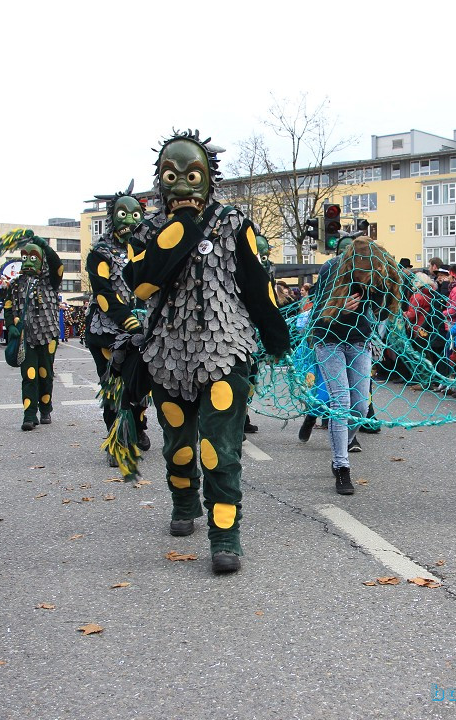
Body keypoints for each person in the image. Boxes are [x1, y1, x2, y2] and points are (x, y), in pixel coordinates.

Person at [127, 130, 290, 574]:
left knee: (219, 447)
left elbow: (259, 286)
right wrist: (181, 228)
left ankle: (226, 534)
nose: (182, 184)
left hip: (224, 348)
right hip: (166, 354)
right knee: (178, 444)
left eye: (192, 174)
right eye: (171, 175)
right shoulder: (146, 229)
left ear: (208, 178)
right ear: (160, 181)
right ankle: (184, 501)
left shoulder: (235, 224)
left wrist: (276, 338)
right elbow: (141, 283)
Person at [308, 238, 402, 493]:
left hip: (359, 340)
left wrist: (387, 291)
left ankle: (341, 446)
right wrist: (339, 308)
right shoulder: (331, 268)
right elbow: (316, 310)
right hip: (328, 340)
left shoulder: (373, 272)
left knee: (360, 406)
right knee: (341, 402)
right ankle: (341, 465)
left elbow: (382, 313)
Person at [85, 186, 152, 463]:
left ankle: (137, 427)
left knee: (140, 382)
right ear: (113, 216)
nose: (130, 220)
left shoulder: (145, 249)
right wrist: (128, 320)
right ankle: (119, 440)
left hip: (142, 328)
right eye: (123, 214)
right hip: (108, 330)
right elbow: (104, 294)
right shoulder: (100, 254)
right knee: (116, 385)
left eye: (135, 214)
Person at [1, 231, 64, 432]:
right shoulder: (16, 285)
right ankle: (29, 415)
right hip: (25, 337)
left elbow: (57, 265)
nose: (28, 262)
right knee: (29, 376)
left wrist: (42, 244)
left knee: (46, 374)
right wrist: (11, 325)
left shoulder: (50, 281)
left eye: (33, 258)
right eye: (25, 257)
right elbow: (8, 307)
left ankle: (46, 408)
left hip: (48, 335)